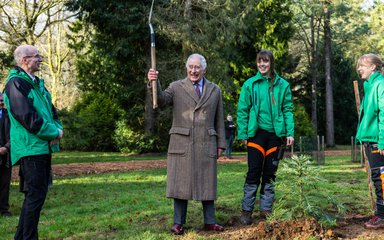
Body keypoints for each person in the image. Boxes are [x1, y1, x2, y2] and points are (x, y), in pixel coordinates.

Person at [147, 53, 226, 235]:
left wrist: (221, 143)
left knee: (208, 183)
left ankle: (210, 222)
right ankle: (178, 223)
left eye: (197, 67)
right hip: (182, 143)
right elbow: (160, 100)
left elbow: (219, 118)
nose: (193, 70)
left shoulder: (215, 90)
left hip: (206, 142)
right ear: (186, 68)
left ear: (204, 69)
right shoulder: (176, 87)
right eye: (191, 66)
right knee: (180, 184)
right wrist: (154, 81)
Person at [3, 45, 63, 239]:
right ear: (24, 60)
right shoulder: (16, 84)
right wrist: (53, 132)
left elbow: (51, 112)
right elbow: (27, 117)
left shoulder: (37, 83)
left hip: (42, 147)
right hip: (31, 148)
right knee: (35, 196)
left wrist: (57, 130)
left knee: (36, 196)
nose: (40, 59)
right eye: (36, 56)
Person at [236, 50, 294, 225]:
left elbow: (288, 109)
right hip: (256, 135)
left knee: (270, 173)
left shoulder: (282, 85)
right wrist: (243, 134)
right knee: (254, 172)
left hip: (276, 136)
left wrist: (289, 132)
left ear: (271, 63)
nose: (262, 65)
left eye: (265, 62)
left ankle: (266, 210)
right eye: (259, 62)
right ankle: (247, 211)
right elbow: (242, 110)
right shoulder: (249, 85)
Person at [355, 53, 384, 229]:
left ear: (373, 67)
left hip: (377, 141)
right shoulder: (370, 85)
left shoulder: (380, 84)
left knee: (380, 178)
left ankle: (382, 216)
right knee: (378, 178)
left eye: (362, 66)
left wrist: (382, 141)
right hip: (369, 139)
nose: (359, 69)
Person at [0, 93, 11, 217]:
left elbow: (14, 135)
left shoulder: (10, 116)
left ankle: (4, 209)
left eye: (2, 100)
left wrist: (6, 148)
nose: (1, 102)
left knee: (4, 183)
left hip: (6, 155)